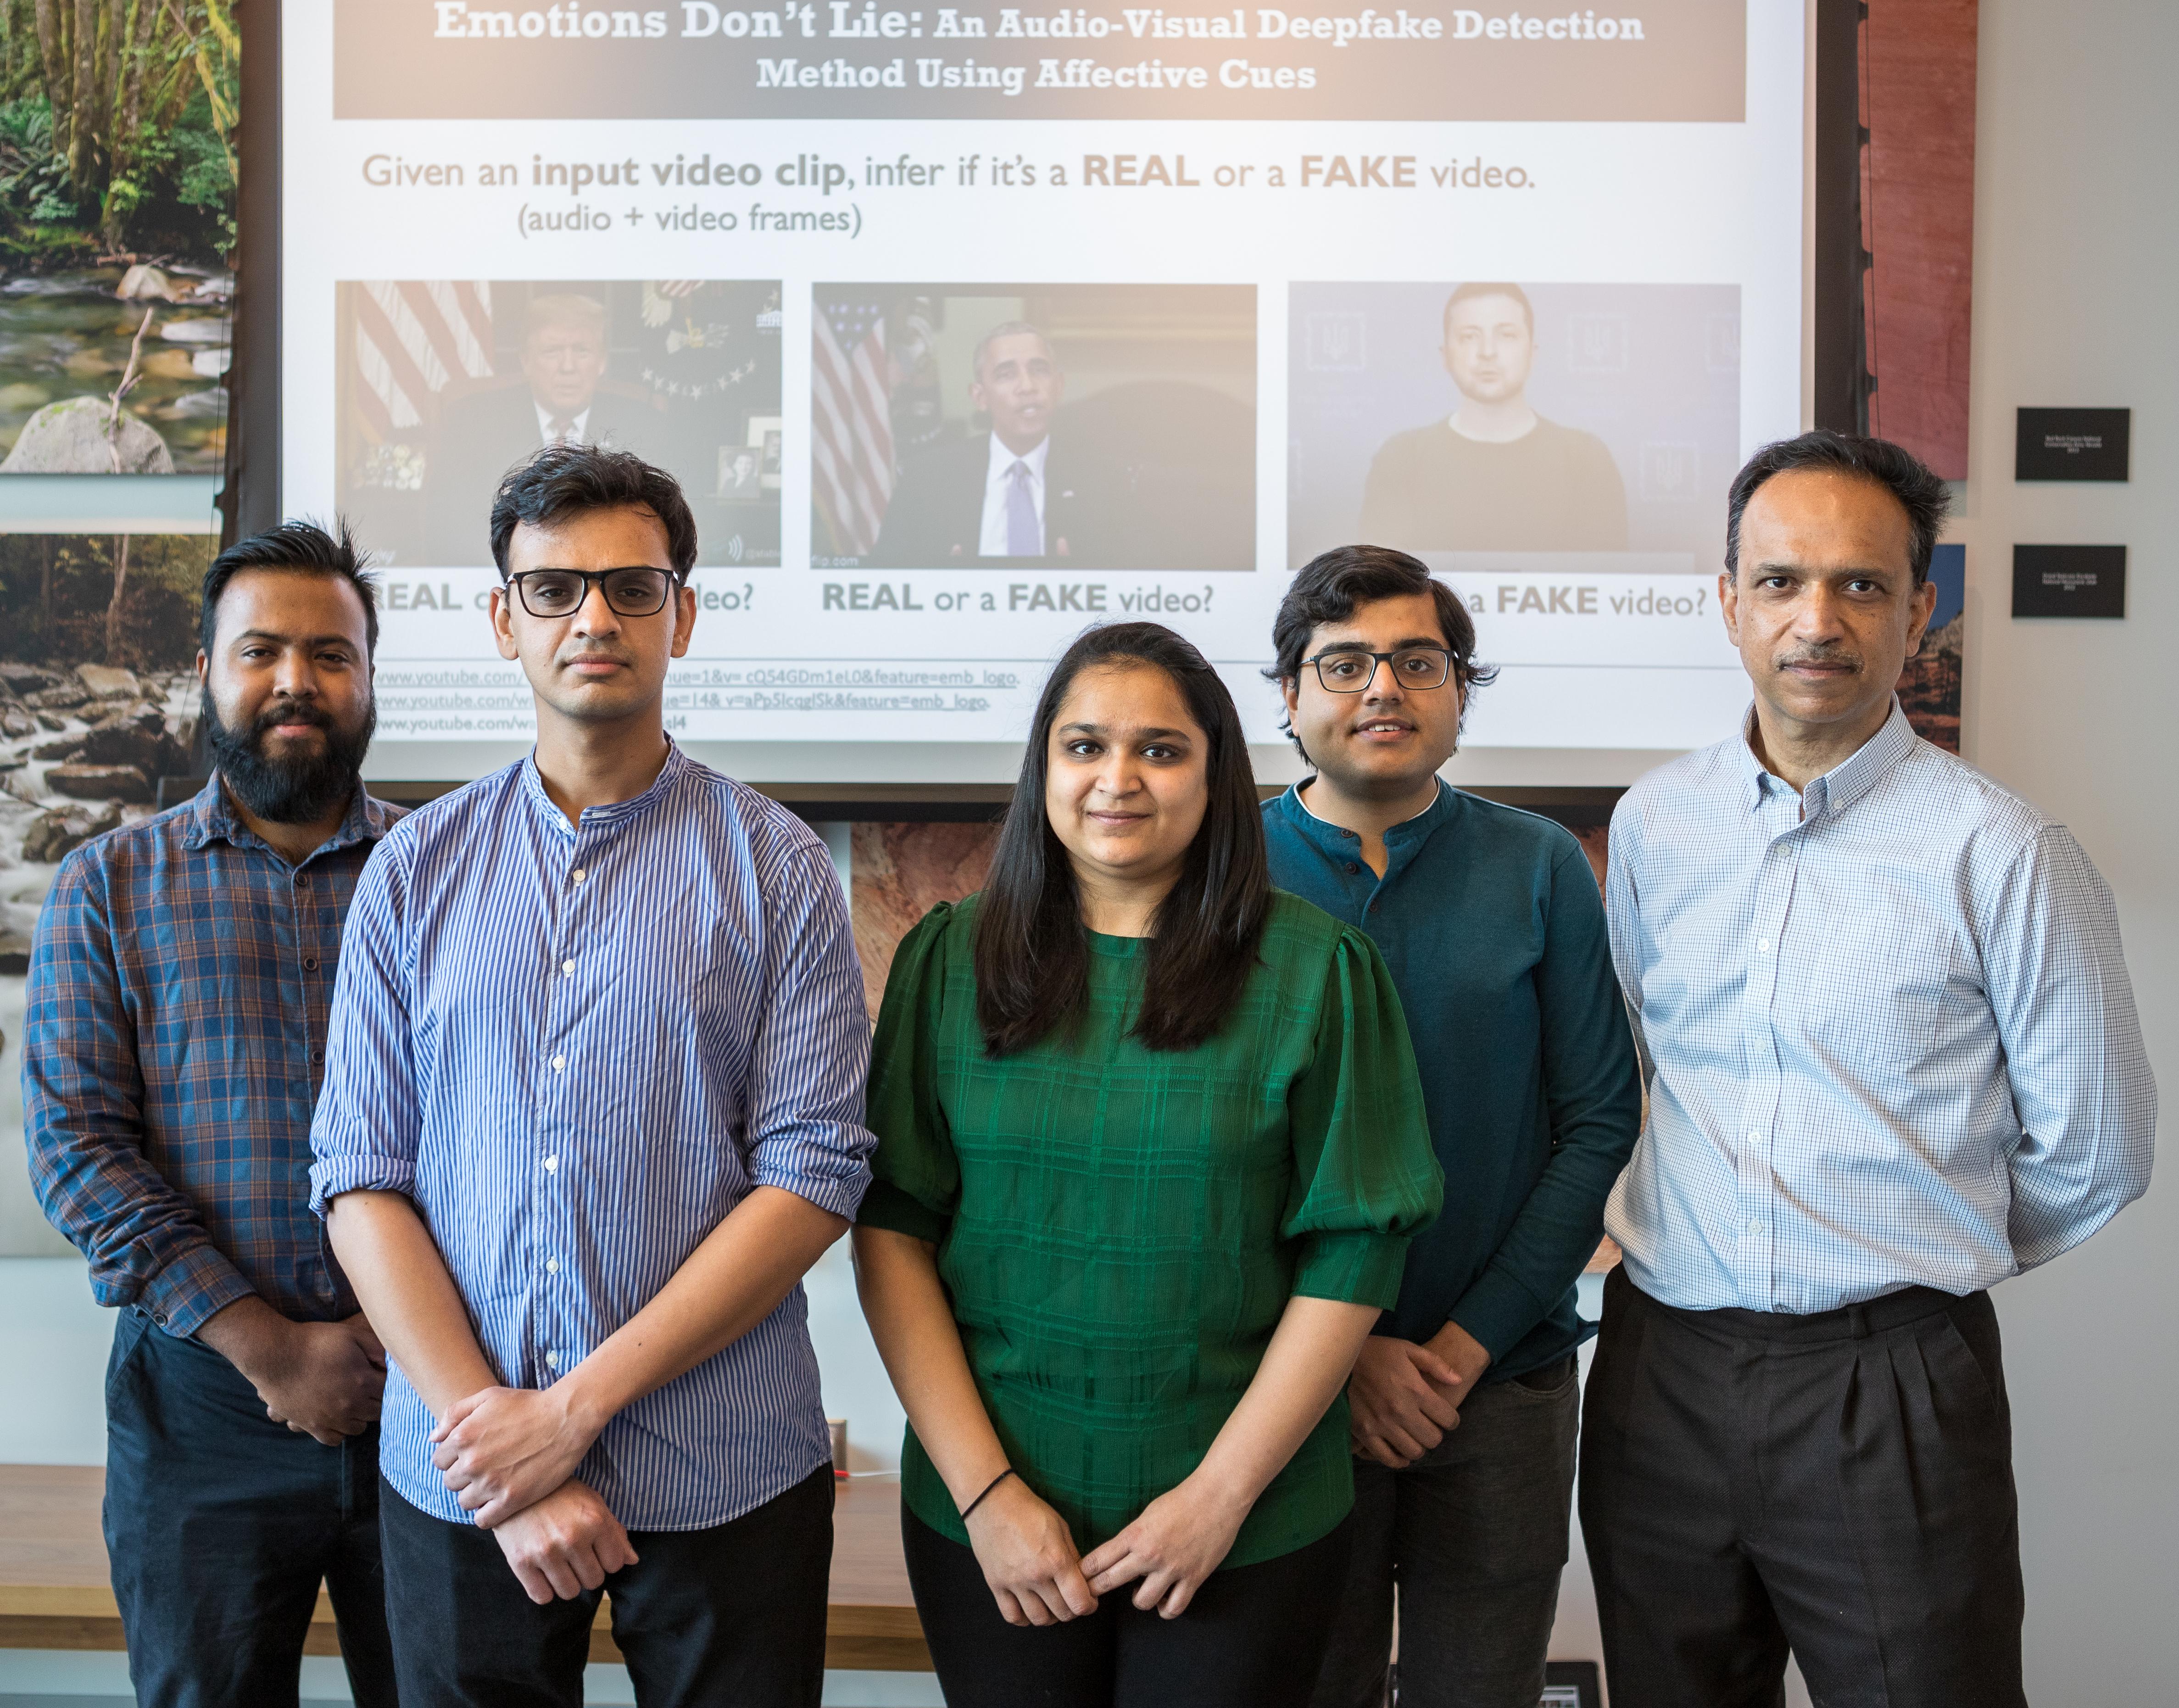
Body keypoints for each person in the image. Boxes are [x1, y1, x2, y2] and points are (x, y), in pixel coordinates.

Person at [1585, 430, 2157, 1707]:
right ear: (1726, 601)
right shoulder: (1651, 823)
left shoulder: (2000, 850)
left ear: (1919, 610)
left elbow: (2097, 1148)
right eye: (1780, 581)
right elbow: (1639, 1063)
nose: (1816, 618)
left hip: (1890, 1383)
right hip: (1657, 1375)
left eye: (1858, 583)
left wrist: (1908, 1253)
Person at [310, 445, 874, 1707]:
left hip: (722, 1461)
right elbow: (360, 1176)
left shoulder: (778, 868)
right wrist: (499, 1443)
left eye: (630, 586)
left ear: (681, 612)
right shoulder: (412, 871)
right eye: (555, 589)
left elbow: (814, 1172)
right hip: (460, 1470)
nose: (595, 618)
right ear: (503, 618)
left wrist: (568, 1413)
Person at [852, 620, 1444, 1708]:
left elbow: (1354, 1252)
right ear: (1042, 770)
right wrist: (987, 1495)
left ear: (1215, 774)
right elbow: (893, 1225)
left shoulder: (1320, 970)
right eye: (1082, 747)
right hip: (992, 1510)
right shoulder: (948, 959)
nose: (1116, 778)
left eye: (1160, 750)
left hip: (1244, 1518)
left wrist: (1217, 1496)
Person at [1257, 545, 1645, 1708]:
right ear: (1288, 694)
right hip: (1279, 1388)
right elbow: (1198, 1150)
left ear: (1460, 691)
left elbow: (1597, 1120)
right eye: (1345, 663)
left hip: (1501, 1384)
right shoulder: (1220, 870)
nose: (1383, 688)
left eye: (1417, 662)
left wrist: (1464, 1344)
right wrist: (1342, 1350)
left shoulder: (1536, 865)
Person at [24, 521, 400, 1708]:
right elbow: (78, 1151)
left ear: (370, 676)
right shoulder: (106, 886)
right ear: (205, 671)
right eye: (262, 650)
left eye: (331, 653)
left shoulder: (443, 871)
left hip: (433, 1409)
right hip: (200, 1416)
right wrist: (271, 1345)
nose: (296, 680)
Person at [1359, 284, 1627, 555]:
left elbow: (1606, 580)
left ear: (1532, 353)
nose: (1488, 352)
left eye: (1507, 335)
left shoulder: (1586, 458)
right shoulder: (1402, 458)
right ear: (1446, 356)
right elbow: (1380, 581)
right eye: (1469, 337)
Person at [422, 292, 658, 563]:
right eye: (552, 352)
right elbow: (445, 524)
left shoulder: (646, 422)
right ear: (526, 360)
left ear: (602, 361)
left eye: (582, 351)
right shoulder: (473, 422)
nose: (568, 367)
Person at [872, 320, 1114, 566]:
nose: (1028, 387)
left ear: (1059, 386)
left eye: (1039, 370)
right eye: (1006, 375)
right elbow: (883, 581)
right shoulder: (926, 481)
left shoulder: (1104, 481)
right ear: (980, 397)